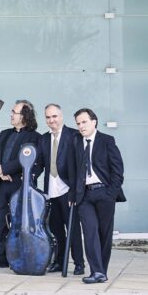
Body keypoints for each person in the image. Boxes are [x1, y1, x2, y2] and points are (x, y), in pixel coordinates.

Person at [0, 99, 40, 269]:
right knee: (0, 221)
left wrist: (4, 169)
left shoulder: (34, 137)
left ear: (24, 116)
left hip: (20, 185)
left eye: (14, 112)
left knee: (18, 222)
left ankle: (18, 257)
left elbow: (25, 159)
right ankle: (1, 257)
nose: (11, 115)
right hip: (2, 185)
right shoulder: (5, 133)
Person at [73, 108, 125, 284]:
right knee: (90, 232)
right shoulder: (76, 142)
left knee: (104, 234)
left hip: (104, 193)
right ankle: (96, 271)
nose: (81, 126)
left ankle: (102, 270)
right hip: (85, 195)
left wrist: (111, 194)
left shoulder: (107, 141)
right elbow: (73, 171)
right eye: (78, 123)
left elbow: (118, 170)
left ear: (94, 121)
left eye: (84, 122)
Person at [32, 103, 85, 276]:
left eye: (54, 116)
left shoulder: (73, 136)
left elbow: (79, 166)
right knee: (56, 231)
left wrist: (75, 191)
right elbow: (40, 163)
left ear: (61, 116)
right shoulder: (44, 139)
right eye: (48, 117)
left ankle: (79, 264)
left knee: (73, 230)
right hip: (51, 192)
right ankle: (59, 261)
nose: (51, 120)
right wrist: (30, 174)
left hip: (67, 191)